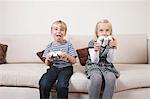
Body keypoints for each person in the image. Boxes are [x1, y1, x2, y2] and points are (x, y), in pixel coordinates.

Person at [39, 20, 77, 99]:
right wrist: (48, 59)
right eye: (56, 29)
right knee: (44, 83)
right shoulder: (49, 46)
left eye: (62, 29)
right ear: (51, 32)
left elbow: (74, 61)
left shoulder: (68, 45)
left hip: (66, 68)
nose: (59, 31)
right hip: (54, 67)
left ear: (65, 33)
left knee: (62, 86)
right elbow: (47, 63)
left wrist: (67, 56)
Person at [85, 19, 120, 99]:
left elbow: (110, 60)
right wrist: (96, 50)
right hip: (94, 65)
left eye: (107, 30)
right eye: (101, 30)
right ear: (97, 32)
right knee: (97, 78)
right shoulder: (92, 42)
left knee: (111, 78)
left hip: (107, 66)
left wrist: (112, 48)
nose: (104, 33)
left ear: (110, 32)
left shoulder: (111, 42)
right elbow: (94, 60)